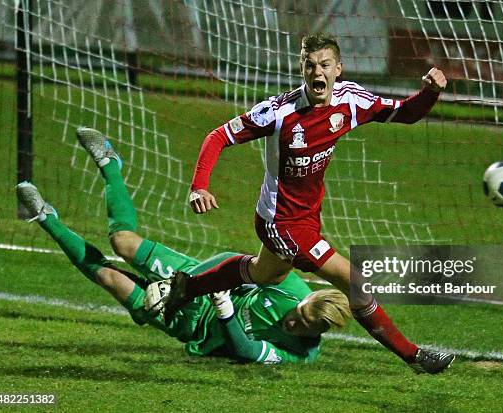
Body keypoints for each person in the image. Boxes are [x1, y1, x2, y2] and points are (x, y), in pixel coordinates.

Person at [164, 33, 454, 374]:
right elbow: (218, 136)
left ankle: (189, 286)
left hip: (306, 216)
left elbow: (405, 113)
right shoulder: (278, 112)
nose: (317, 71)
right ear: (302, 69)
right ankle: (415, 357)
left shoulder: (351, 101)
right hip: (281, 222)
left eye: (325, 64)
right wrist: (200, 185)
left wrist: (431, 92)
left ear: (338, 69)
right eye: (310, 64)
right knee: (356, 283)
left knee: (263, 273)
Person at [14, 127, 351, 364]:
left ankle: (45, 218)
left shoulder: (301, 354)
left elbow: (246, 351)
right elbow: (234, 259)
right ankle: (110, 165)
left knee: (110, 279)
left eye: (306, 328)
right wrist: (189, 284)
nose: (294, 324)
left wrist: (224, 311)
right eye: (300, 316)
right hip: (200, 284)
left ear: (320, 332)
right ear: (305, 301)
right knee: (123, 242)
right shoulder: (289, 287)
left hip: (192, 326)